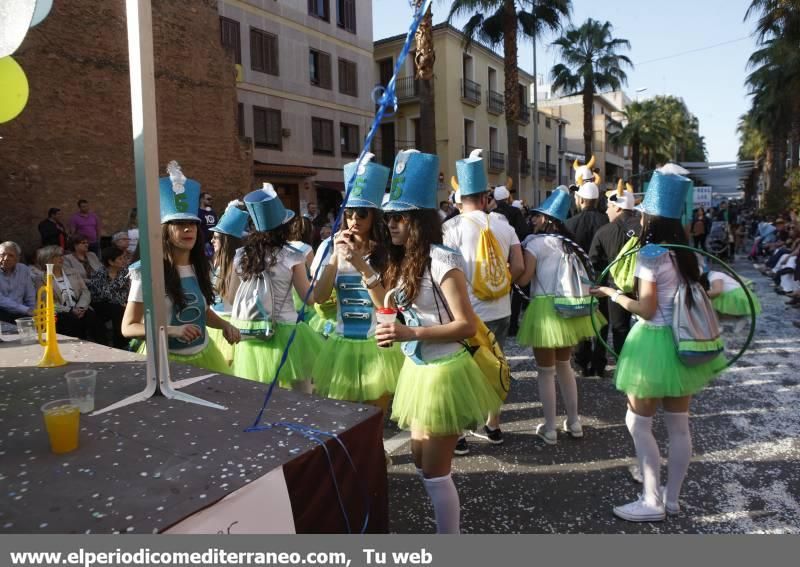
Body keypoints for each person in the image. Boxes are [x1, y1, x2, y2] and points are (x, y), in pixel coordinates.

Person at [589, 169, 726, 522]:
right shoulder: (685, 253)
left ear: (649, 217)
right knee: (680, 426)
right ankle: (673, 499)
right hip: (682, 345)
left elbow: (646, 308)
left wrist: (613, 294)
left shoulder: (650, 254)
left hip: (652, 344)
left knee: (638, 423)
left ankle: (652, 500)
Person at [376, 149, 502, 534]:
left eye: (398, 217)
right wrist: (390, 323)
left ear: (417, 221)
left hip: (447, 371)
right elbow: (387, 306)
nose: (391, 225)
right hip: (418, 368)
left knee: (434, 472)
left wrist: (408, 332)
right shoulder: (401, 261)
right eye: (388, 218)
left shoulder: (441, 260)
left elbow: (465, 325)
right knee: (419, 461)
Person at [122, 161, 239, 374]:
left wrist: (224, 325)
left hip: (206, 356)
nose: (188, 228)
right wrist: (172, 330)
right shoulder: (147, 272)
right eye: (179, 223)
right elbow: (128, 327)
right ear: (165, 230)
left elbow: (201, 312)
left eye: (193, 223)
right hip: (166, 363)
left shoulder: (199, 268)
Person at [443, 149, 524, 454]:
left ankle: (462, 435)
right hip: (501, 309)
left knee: (464, 370)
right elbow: (517, 266)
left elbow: (444, 273)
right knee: (495, 366)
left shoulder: (450, 228)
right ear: (485, 197)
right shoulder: (504, 225)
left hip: (465, 313)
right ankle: (493, 426)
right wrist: (501, 285)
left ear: (459, 196)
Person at [311, 154, 404, 417]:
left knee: (376, 415)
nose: (354, 220)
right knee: (346, 417)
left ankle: (378, 457)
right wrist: (334, 256)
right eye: (349, 213)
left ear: (374, 216)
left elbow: (388, 305)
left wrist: (359, 263)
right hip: (342, 346)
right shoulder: (330, 248)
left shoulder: (387, 253)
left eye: (361, 214)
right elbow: (318, 297)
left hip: (377, 345)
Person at [516, 187, 604, 446]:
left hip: (543, 311)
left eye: (537, 216)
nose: (533, 220)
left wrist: (508, 274)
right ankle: (575, 422)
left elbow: (523, 277)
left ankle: (551, 427)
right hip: (568, 308)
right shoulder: (569, 244)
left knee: (545, 371)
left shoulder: (535, 243)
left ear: (546, 219)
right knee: (565, 366)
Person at [230, 183, 323, 392]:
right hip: (287, 330)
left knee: (260, 394)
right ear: (284, 227)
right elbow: (308, 298)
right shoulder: (292, 256)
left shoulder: (241, 256)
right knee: (301, 392)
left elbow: (230, 296)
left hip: (252, 331)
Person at [589, 182, 640, 361]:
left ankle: (624, 364)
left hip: (615, 288)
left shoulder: (604, 231)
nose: (606, 211)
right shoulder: (645, 228)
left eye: (609, 206)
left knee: (620, 329)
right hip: (644, 287)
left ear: (618, 208)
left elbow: (593, 261)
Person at [566, 180, 609, 377]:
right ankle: (599, 363)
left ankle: (581, 361)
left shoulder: (571, 224)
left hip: (578, 277)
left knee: (581, 316)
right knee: (602, 321)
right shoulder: (606, 221)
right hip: (603, 277)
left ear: (581, 200)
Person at [31, 245, 106, 343]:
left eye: (61, 255)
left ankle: (104, 348)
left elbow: (85, 291)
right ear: (47, 260)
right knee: (71, 320)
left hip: (79, 308)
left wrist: (81, 307)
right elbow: (47, 302)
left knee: (94, 320)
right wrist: (70, 310)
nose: (61, 258)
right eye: (56, 256)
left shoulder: (73, 272)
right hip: (60, 312)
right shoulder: (41, 279)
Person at [208, 201, 249, 364]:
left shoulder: (239, 262)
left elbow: (235, 299)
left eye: (216, 237)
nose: (212, 240)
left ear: (227, 240)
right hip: (213, 322)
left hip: (230, 323)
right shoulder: (215, 261)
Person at [88, 247, 131, 349]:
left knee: (118, 309)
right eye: (120, 259)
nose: (123, 261)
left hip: (119, 304)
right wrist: (120, 301)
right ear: (111, 262)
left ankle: (121, 343)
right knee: (117, 308)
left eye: (124, 258)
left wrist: (122, 301)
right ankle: (121, 344)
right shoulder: (99, 273)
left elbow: (127, 291)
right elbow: (102, 293)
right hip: (100, 304)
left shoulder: (125, 272)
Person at [0, 241, 36, 323]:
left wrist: (33, 310)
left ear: (17, 259)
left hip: (21, 313)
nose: (5, 258)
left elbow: (30, 294)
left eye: (11, 255)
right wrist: (26, 310)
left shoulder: (23, 269)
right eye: (2, 254)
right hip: (2, 314)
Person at [199, 192, 219, 257]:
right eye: (208, 199)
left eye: (211, 199)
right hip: (203, 244)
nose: (210, 201)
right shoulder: (197, 213)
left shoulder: (213, 213)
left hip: (213, 243)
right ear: (201, 200)